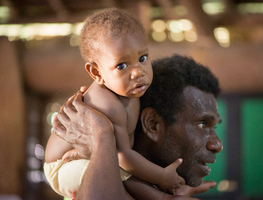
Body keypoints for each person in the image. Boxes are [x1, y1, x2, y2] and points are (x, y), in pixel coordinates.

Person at [44, 8, 184, 198]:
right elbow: (122, 156)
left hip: (93, 157)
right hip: (62, 167)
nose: (138, 72)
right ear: (97, 73)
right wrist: (161, 176)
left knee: (120, 171)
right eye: (122, 65)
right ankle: (162, 197)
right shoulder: (109, 105)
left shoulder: (129, 92)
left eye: (142, 58)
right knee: (117, 174)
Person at [53, 54, 223, 199]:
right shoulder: (87, 175)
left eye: (214, 127)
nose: (217, 144)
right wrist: (102, 135)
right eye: (202, 124)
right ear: (153, 124)